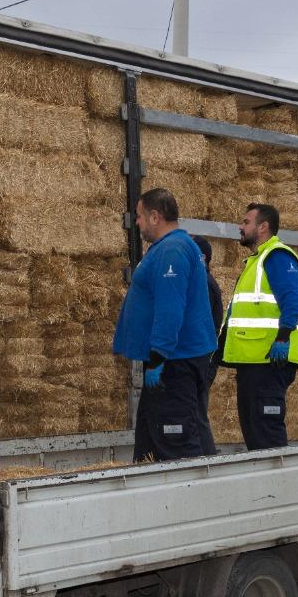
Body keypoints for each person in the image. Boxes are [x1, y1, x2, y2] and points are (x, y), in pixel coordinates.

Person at [111, 188, 217, 461]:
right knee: (150, 439)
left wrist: (158, 357)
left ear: (155, 216)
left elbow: (170, 307)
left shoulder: (172, 250)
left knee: (176, 439)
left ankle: (190, 495)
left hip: (174, 362)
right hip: (171, 360)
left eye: (139, 216)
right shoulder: (168, 248)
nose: (136, 222)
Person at [220, 202, 298, 450]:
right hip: (254, 361)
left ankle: (279, 487)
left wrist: (282, 339)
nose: (240, 226)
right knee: (256, 434)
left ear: (263, 227)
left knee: (266, 435)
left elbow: (294, 299)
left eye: (246, 222)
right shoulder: (255, 262)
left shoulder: (277, 256)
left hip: (269, 360)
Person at [195, 235, 223, 455]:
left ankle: (209, 460)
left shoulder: (203, 283)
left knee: (197, 413)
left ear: (202, 257)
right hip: (204, 356)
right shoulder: (203, 281)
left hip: (203, 358)